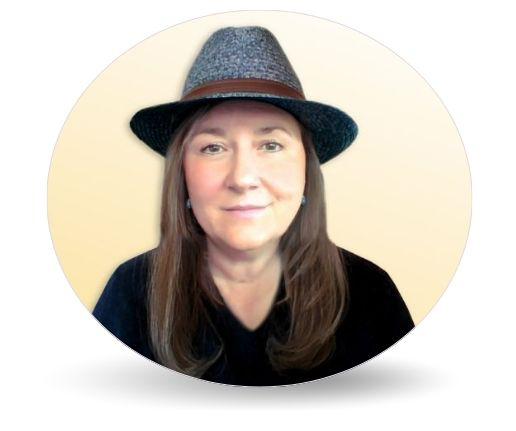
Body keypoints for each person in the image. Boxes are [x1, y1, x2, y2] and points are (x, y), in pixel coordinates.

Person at [93, 26, 414, 386]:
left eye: (271, 145)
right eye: (213, 148)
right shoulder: (131, 292)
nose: (243, 178)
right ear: (182, 174)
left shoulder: (370, 294)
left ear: (306, 170)